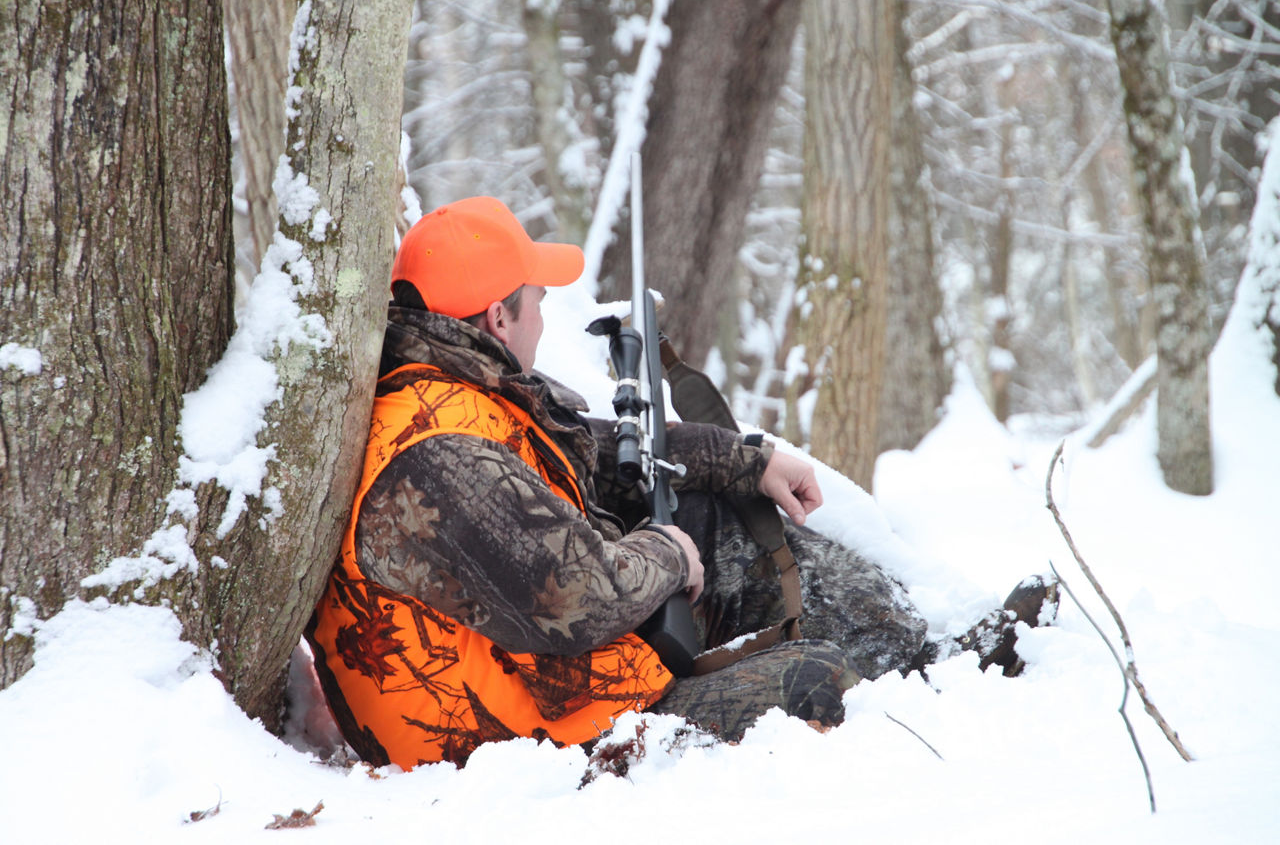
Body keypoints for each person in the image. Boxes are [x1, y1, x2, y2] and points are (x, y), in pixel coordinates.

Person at [305, 196, 1045, 770]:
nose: (541, 321)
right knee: (817, 682)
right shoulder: (439, 457)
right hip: (520, 751)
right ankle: (928, 701)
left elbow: (598, 454)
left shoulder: (453, 396)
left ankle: (934, 663)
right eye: (537, 302)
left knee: (712, 513)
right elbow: (576, 597)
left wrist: (747, 460)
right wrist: (666, 554)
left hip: (547, 690)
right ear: (499, 317)